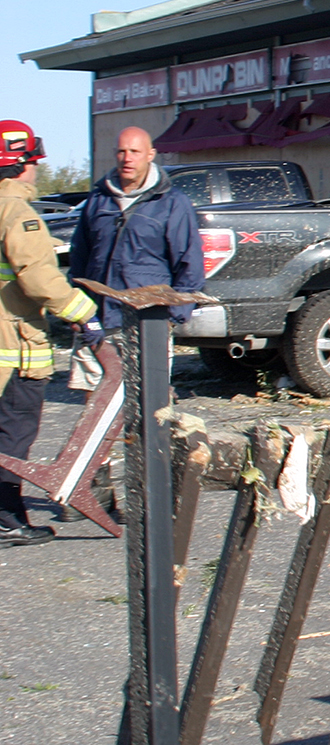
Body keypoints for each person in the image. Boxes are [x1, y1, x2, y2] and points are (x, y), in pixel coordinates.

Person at [0, 122, 101, 546]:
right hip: (14, 345)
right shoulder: (18, 214)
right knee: (13, 432)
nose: (37, 171)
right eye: (34, 163)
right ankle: (6, 519)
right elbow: (39, 278)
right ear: (22, 163)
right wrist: (84, 313)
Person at [69, 126, 205, 338]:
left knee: (146, 373)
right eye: (121, 151)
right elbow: (79, 260)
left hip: (148, 323)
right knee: (92, 373)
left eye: (135, 152)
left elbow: (190, 265)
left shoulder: (172, 203)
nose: (127, 159)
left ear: (150, 154)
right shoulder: (98, 200)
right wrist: (80, 314)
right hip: (97, 321)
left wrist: (173, 316)